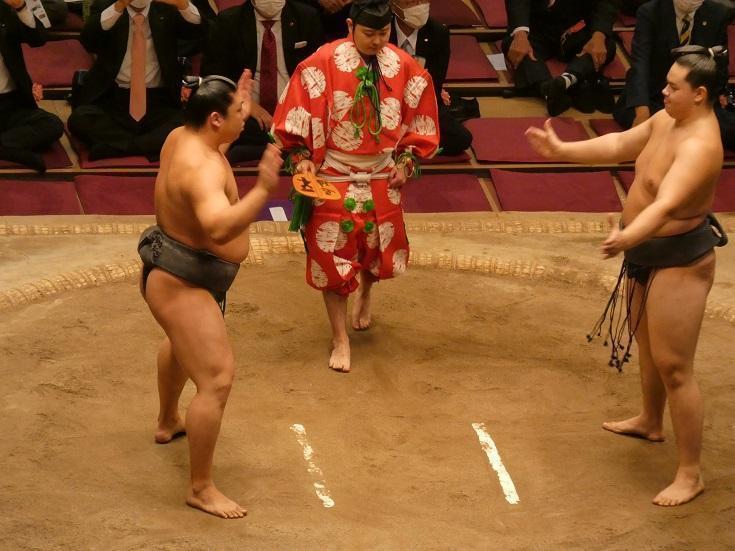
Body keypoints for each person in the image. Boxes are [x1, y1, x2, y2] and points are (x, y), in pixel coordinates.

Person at [526, 46, 728, 506]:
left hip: (679, 259)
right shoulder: (666, 120)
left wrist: (627, 236)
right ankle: (650, 421)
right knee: (647, 344)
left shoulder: (701, 145)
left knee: (675, 366)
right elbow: (620, 144)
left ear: (700, 95)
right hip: (645, 250)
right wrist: (562, 150)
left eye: (673, 87)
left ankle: (690, 473)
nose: (663, 91)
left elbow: (666, 204)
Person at [138, 71, 283, 518]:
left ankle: (167, 422)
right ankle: (200, 487)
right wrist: (262, 187)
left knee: (181, 345)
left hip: (173, 265)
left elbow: (217, 136)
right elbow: (220, 226)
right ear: (216, 119)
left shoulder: (184, 135)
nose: (249, 117)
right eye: (241, 112)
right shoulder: (200, 168)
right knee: (217, 379)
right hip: (181, 278)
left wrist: (239, 92)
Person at [272, 0, 439, 373]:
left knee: (375, 247)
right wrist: (301, 159)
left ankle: (366, 290)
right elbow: (295, 115)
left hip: (381, 172)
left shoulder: (405, 65)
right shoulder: (321, 62)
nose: (378, 41)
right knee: (333, 254)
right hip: (335, 173)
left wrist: (406, 162)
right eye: (369, 33)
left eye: (383, 33)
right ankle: (339, 336)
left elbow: (421, 118)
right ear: (350, 26)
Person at [68, 0, 206, 161]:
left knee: (191, 123)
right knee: (79, 120)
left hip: (159, 101)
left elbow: (201, 31)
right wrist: (119, 6)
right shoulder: (107, 5)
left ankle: (115, 148)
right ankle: (151, 146)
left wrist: (183, 5)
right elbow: (88, 40)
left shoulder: (167, 8)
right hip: (114, 100)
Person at [201, 0, 323, 163]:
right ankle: (284, 150)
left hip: (297, 111)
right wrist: (249, 105)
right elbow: (213, 77)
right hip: (248, 113)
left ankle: (268, 149)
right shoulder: (228, 21)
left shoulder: (306, 17)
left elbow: (320, 73)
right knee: (225, 125)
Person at [613, 0, 735, 151]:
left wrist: (714, 96)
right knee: (654, 126)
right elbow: (640, 64)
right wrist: (641, 109)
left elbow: (719, 64)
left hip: (696, 101)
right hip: (654, 97)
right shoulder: (650, 11)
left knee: (728, 129)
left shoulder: (718, 14)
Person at [502, 0, 618, 115]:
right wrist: (520, 34)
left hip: (574, 29)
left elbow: (606, 3)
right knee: (512, 45)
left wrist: (599, 35)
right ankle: (553, 88)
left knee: (606, 45)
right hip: (535, 28)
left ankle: (564, 81)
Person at [389, 0, 472, 156]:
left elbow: (435, 83)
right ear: (393, 5)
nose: (419, 6)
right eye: (412, 2)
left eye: (423, 1)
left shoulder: (438, 33)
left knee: (461, 138)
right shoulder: (381, 29)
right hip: (385, 101)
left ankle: (406, 144)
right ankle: (412, 142)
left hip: (423, 102)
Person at [0, 0, 64, 172]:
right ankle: (13, 149)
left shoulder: (5, 9)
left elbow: (38, 39)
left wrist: (20, 7)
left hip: (10, 102)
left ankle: (4, 147)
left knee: (52, 125)